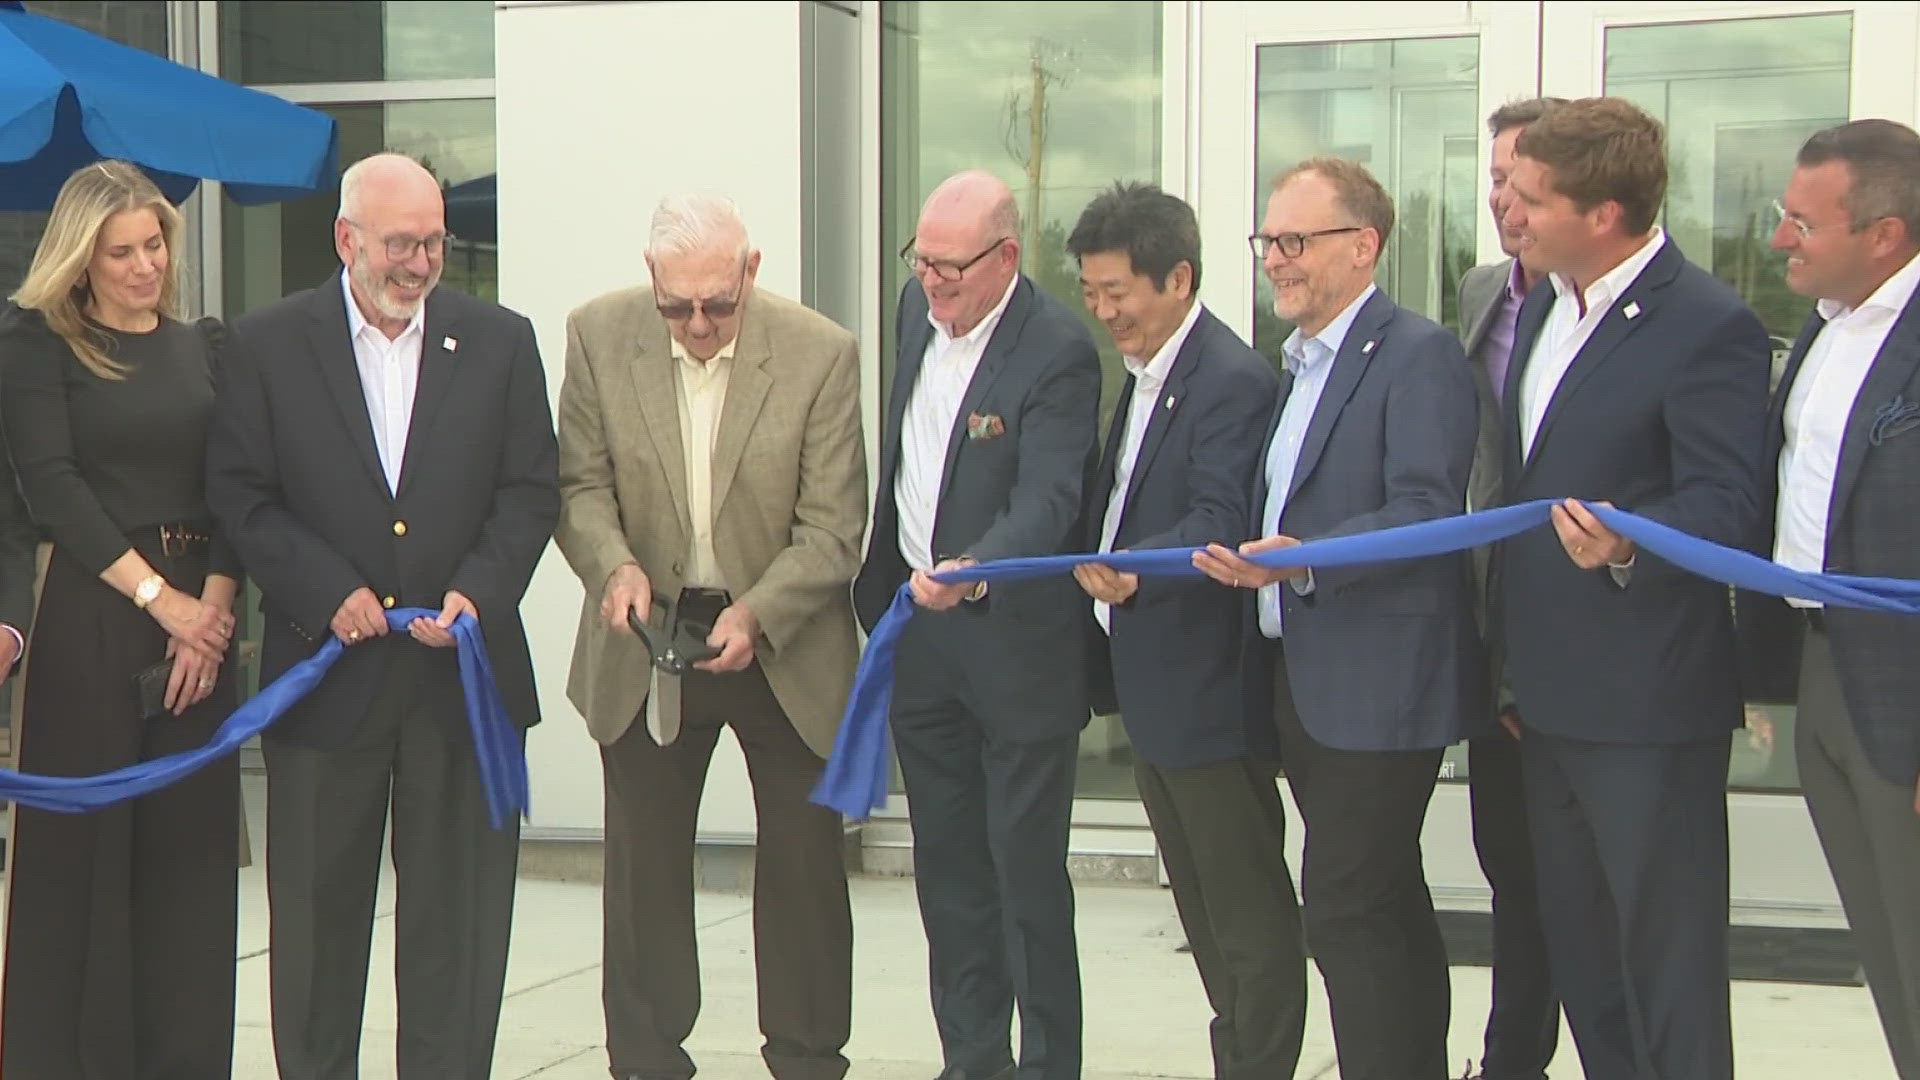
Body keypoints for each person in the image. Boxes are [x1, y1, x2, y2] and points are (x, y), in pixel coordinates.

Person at [206, 152, 559, 1079]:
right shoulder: (266, 344)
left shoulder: (502, 340)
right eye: (402, 243)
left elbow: (530, 493)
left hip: (462, 690)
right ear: (346, 239)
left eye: (435, 242)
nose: (420, 263)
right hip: (325, 695)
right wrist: (328, 592)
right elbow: (241, 497)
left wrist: (477, 593)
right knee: (317, 939)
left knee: (459, 940)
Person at [554, 194, 866, 1080]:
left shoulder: (820, 353)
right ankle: (648, 1058)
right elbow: (579, 486)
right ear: (651, 279)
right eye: (677, 305)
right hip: (649, 626)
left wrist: (757, 613)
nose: (697, 324)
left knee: (806, 867)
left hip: (785, 634)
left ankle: (807, 1058)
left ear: (751, 273)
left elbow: (835, 528)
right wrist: (613, 567)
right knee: (643, 867)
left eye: (718, 306)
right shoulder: (597, 334)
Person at [1495, 97, 1769, 1080]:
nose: (1509, 213)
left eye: (1530, 197)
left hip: (1648, 703)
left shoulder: (1708, 326)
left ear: (1602, 213)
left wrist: (1625, 548)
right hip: (1548, 701)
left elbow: (1729, 504)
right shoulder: (1541, 311)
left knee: (1668, 971)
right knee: (1587, 968)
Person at [1195, 157, 1486, 1080]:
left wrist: (1304, 556)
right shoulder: (1297, 364)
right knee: (1386, 902)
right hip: (1303, 681)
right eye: (1267, 240)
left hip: (1381, 686)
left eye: (1295, 241)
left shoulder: (1417, 353)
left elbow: (1428, 510)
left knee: (1344, 907)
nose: (1274, 259)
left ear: (1363, 247)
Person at [852, 170, 1100, 1080]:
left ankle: (1046, 1066)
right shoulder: (916, 315)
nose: (931, 282)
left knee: (1025, 877)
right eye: (921, 262)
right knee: (949, 874)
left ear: (1006, 258)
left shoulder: (1059, 351)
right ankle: (972, 1060)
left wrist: (976, 570)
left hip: (1016, 649)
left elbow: (1051, 499)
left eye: (951, 268)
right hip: (921, 642)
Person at [0, 158, 241, 1077]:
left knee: (187, 867)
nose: (145, 267)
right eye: (122, 252)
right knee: (83, 866)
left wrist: (211, 612)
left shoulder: (208, 347)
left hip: (202, 628)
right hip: (96, 615)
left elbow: (240, 483)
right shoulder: (36, 345)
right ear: (80, 259)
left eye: (155, 246)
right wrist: (164, 601)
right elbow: (53, 489)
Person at [1063, 181, 1304, 1080]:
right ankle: (1235, 1053)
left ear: (1179, 278)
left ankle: (1260, 1062)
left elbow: (1216, 517)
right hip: (1155, 693)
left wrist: (1130, 568)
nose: (1104, 310)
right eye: (1090, 292)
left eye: (1118, 291)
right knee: (1202, 911)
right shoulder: (1147, 377)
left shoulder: (1229, 379)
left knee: (1244, 910)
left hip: (1208, 691)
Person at [1755, 118, 1920, 1078]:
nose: (1780, 239)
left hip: (1904, 690)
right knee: (1887, 952)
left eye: (1802, 223)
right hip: (1821, 668)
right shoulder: (1823, 329)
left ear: (1885, 235)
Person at [1455, 96, 1567, 1080]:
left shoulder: (1612, 307)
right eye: (1495, 179)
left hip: (1583, 640)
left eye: (1524, 184)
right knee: (1512, 874)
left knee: (1579, 885)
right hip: (1492, 634)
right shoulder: (1484, 292)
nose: (1505, 202)